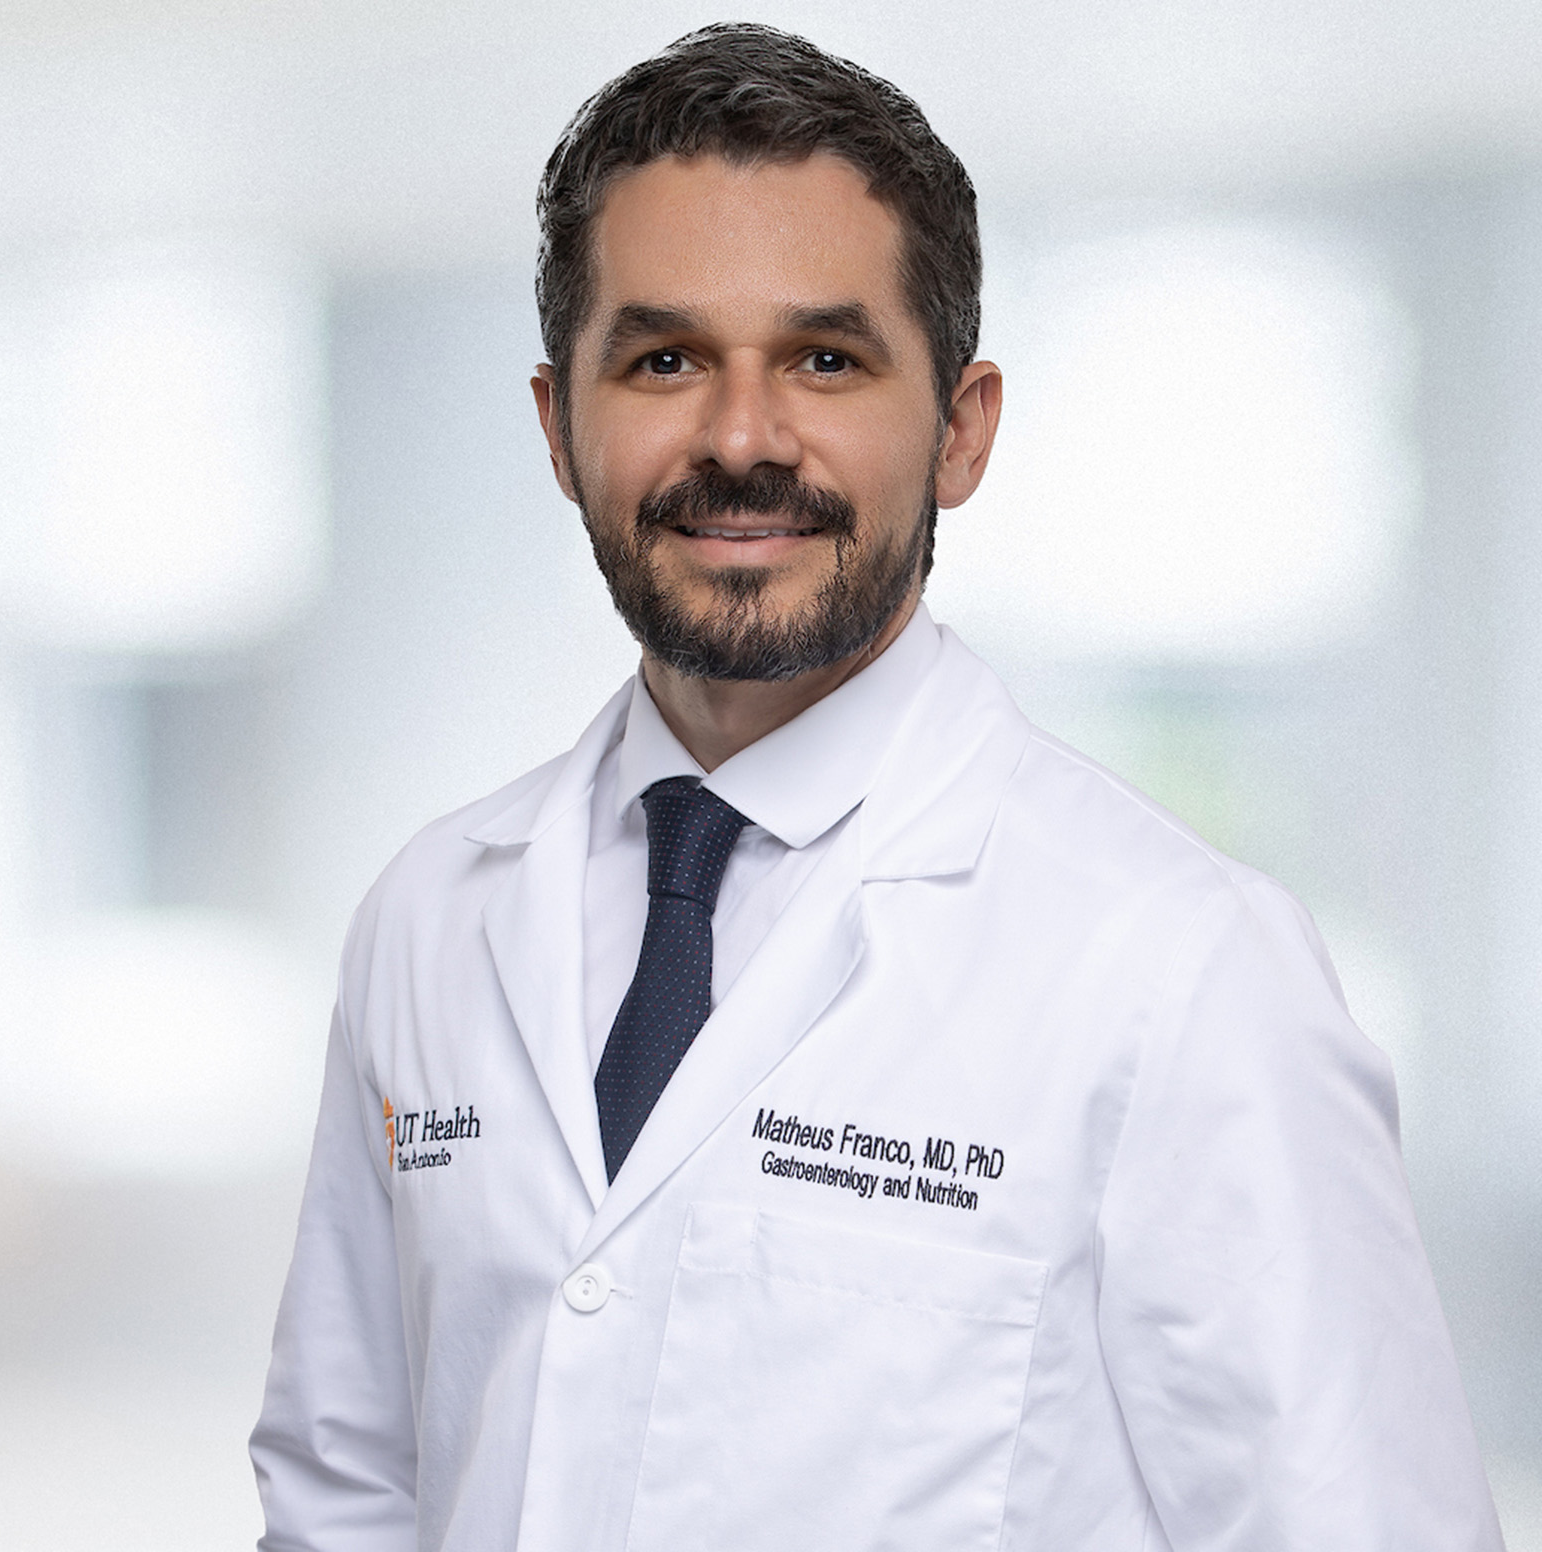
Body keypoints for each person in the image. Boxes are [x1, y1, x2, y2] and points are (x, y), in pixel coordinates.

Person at [249, 24, 1500, 1551]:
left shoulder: (1177, 969)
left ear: (961, 429)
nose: (742, 439)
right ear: (557, 429)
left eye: (825, 361)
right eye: (664, 360)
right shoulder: (430, 921)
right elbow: (342, 1489)